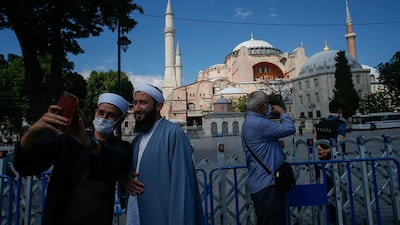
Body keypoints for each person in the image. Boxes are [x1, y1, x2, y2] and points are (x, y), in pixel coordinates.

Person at [13, 92, 132, 225]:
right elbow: (26, 165)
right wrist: (33, 131)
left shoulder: (122, 147)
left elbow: (116, 166)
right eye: (101, 112)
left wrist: (88, 144)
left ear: (120, 120)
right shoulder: (68, 140)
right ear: (95, 113)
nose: (104, 118)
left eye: (110, 115)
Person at [125, 84, 203, 225]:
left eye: (143, 103)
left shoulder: (174, 134)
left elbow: (182, 186)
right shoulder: (137, 139)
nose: (137, 108)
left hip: (164, 216)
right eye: (135, 103)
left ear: (158, 106)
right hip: (137, 212)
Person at [241, 91, 296, 225]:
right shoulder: (259, 123)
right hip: (267, 185)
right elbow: (289, 128)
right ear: (261, 105)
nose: (271, 107)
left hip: (261, 181)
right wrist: (282, 112)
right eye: (268, 104)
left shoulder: (250, 122)